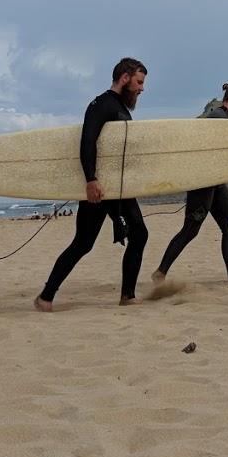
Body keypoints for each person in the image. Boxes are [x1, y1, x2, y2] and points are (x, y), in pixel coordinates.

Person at [34, 58, 149, 311]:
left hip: (116, 189)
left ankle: (126, 295)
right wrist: (91, 180)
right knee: (86, 243)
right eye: (139, 82)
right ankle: (46, 296)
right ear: (125, 78)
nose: (142, 88)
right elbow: (88, 142)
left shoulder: (121, 107)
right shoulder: (101, 105)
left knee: (131, 235)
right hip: (100, 188)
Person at [152, 83, 228, 286]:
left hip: (217, 183)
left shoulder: (225, 120)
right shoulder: (216, 118)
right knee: (191, 230)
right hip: (203, 185)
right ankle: (160, 272)